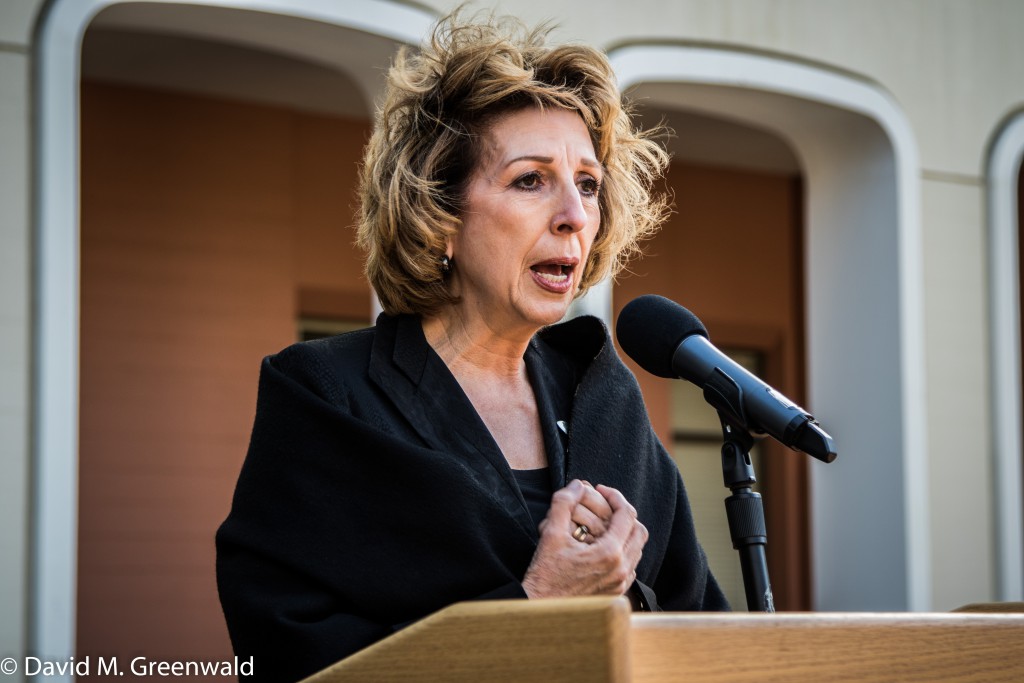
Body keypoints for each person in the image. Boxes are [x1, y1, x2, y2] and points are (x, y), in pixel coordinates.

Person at [216, 11, 728, 682]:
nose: (575, 214)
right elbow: (289, 659)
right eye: (530, 179)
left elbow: (699, 625)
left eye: (588, 184)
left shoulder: (606, 398)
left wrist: (627, 595)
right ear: (441, 218)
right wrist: (537, 602)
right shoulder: (325, 393)